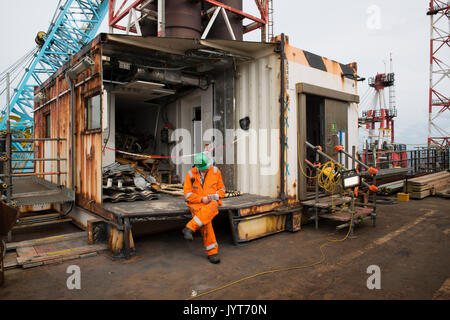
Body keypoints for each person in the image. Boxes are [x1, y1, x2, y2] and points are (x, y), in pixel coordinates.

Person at [182, 153, 226, 264]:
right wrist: (201, 199)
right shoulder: (190, 174)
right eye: (203, 169)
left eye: (207, 167)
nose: (206, 170)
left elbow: (222, 189)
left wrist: (217, 195)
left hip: (212, 203)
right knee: (206, 221)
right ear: (197, 166)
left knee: (212, 206)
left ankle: (190, 227)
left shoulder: (216, 171)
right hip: (197, 203)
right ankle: (212, 253)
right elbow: (187, 194)